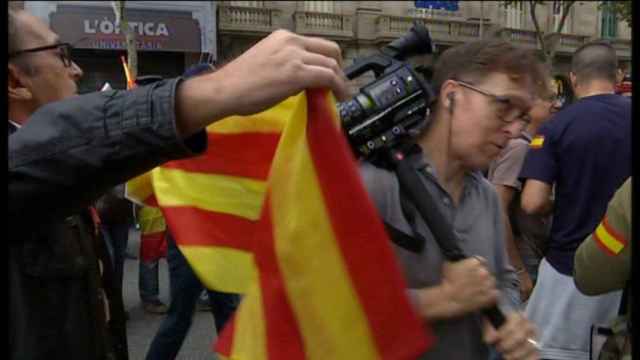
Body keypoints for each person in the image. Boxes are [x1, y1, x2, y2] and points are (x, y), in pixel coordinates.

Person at [8, 6, 348, 360]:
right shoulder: (30, 173)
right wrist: (216, 90)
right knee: (182, 315)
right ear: (14, 81)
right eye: (60, 55)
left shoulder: (62, 176)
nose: (76, 70)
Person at [360, 39, 544, 360]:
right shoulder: (370, 183)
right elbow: (319, 304)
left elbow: (503, 280)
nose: (514, 130)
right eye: (503, 107)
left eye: (523, 117)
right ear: (451, 96)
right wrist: (442, 299)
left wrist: (508, 318)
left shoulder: (485, 194)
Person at [519, 41, 631, 360]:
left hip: (570, 273)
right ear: (618, 74)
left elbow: (532, 202)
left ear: (573, 78)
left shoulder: (556, 126)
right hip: (625, 276)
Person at [144, 63, 240, 360]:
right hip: (187, 240)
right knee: (181, 316)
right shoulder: (180, 133)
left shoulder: (222, 129)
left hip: (217, 239)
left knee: (227, 313)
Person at [487, 79, 559, 302]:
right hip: (521, 258)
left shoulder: (530, 145)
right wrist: (519, 271)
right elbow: (498, 210)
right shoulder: (519, 148)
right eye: (549, 98)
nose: (556, 105)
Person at [137, 205, 170, 314]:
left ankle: (185, 296)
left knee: (179, 255)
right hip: (152, 212)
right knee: (150, 257)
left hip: (171, 209)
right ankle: (149, 299)